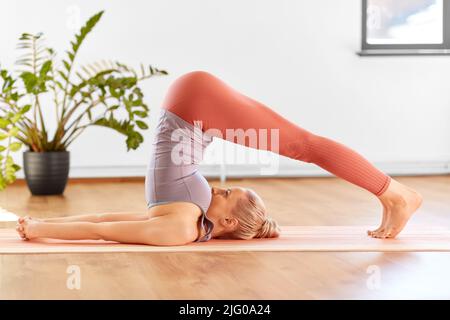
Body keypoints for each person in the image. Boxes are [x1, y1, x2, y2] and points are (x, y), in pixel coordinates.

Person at [16, 71, 423, 245]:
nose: (217, 187)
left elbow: (105, 225)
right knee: (302, 144)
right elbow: (104, 230)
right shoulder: (185, 219)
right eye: (227, 188)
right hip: (195, 105)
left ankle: (392, 194)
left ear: (225, 220)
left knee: (303, 144)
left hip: (192, 104)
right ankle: (394, 194)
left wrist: (41, 226)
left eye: (225, 191)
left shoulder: (181, 221)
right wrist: (40, 230)